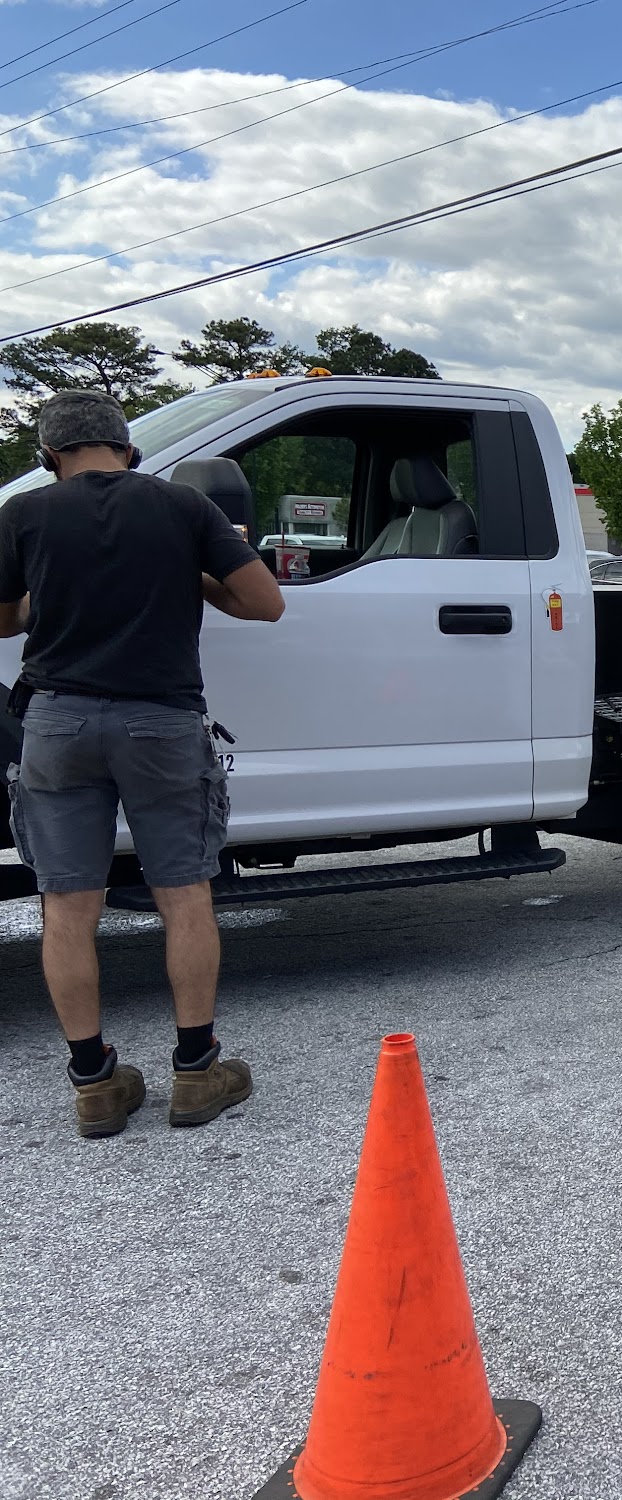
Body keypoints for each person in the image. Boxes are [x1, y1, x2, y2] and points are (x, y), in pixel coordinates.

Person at [0, 389, 285, 1138]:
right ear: (129, 450)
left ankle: (94, 1085)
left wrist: (39, 602)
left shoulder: (24, 513)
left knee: (67, 905)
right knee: (183, 894)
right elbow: (265, 603)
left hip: (56, 721)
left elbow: (2, 618)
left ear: (50, 456)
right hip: (160, 721)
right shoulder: (184, 507)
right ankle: (196, 1071)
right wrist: (192, 576)